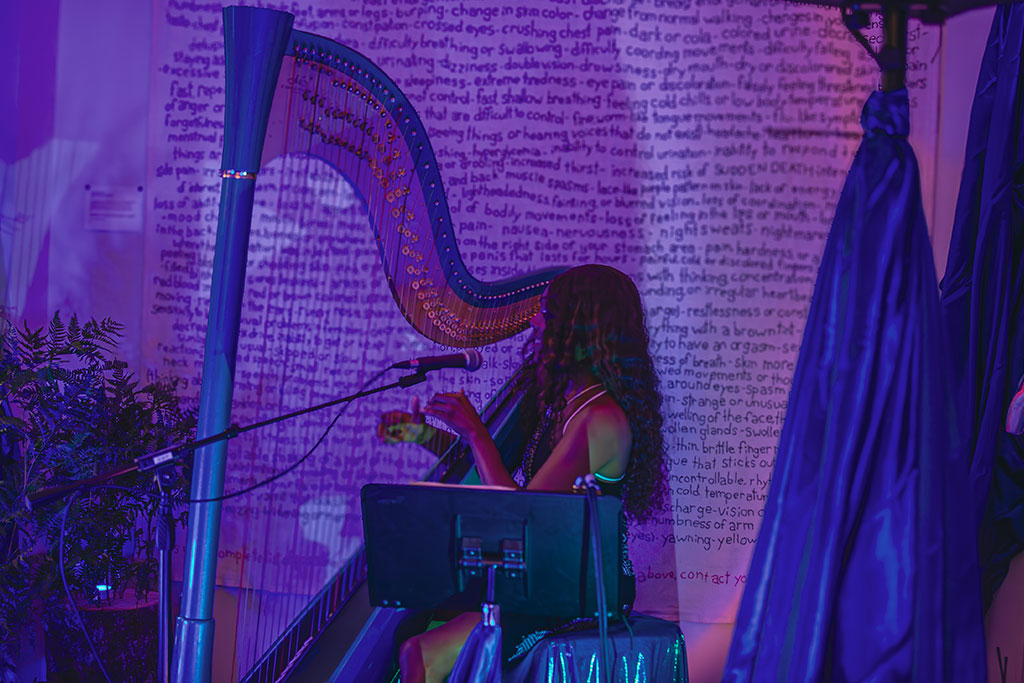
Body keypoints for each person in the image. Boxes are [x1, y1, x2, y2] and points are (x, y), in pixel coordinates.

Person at [377, 264, 667, 683]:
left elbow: (519, 511)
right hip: (549, 575)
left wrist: (475, 430)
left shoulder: (600, 419)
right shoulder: (563, 407)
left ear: (580, 330)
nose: (534, 321)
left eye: (546, 313)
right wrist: (425, 434)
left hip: (583, 589)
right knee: (417, 623)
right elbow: (495, 479)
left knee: (419, 652)